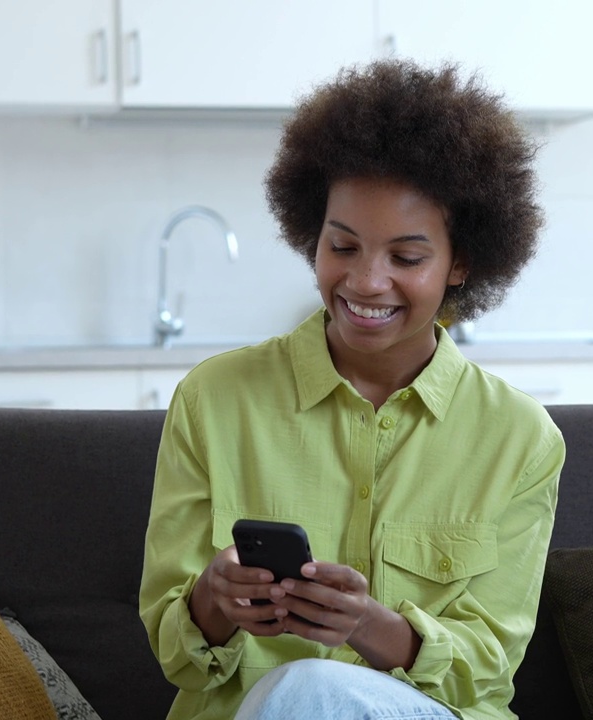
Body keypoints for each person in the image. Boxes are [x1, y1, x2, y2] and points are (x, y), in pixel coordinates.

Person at [139, 58, 565, 720]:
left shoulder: (519, 437)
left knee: (310, 687)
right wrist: (213, 603)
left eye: (407, 257)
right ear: (313, 237)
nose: (366, 282)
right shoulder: (214, 399)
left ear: (462, 263)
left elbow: (488, 668)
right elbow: (175, 653)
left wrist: (365, 624)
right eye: (343, 247)